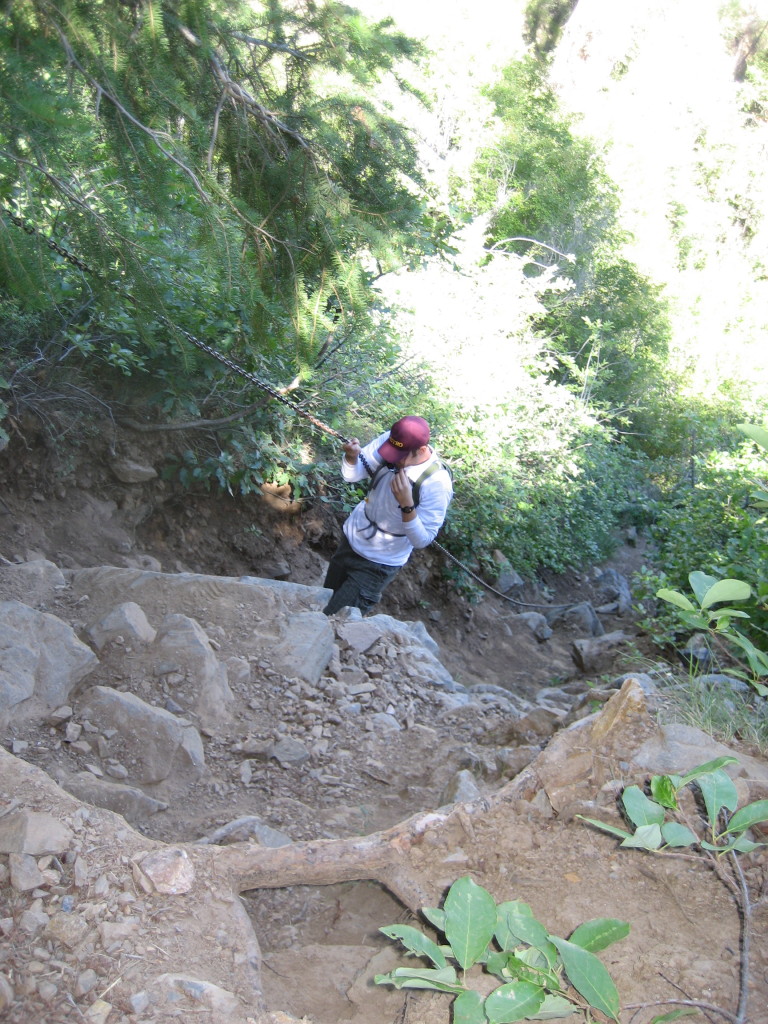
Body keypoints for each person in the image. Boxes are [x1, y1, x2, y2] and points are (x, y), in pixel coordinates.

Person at [323, 415, 453, 616]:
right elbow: (352, 475)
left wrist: (407, 504)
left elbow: (422, 539)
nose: (392, 458)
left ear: (421, 450)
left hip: (379, 563)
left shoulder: (436, 483)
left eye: (400, 455)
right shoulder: (391, 441)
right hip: (350, 540)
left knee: (334, 619)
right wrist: (351, 457)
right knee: (326, 598)